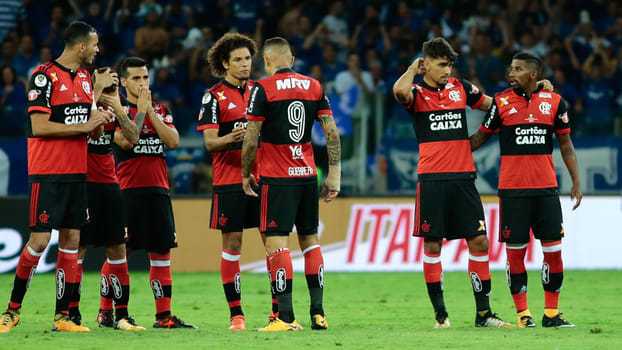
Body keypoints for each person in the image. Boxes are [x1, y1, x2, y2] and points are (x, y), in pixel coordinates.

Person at [392, 37, 515, 328]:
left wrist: (484, 134)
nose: (447, 70)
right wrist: (413, 68)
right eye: (442, 64)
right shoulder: (416, 92)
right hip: (432, 179)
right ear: (427, 64)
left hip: (463, 177)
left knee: (479, 240)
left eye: (450, 65)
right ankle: (441, 315)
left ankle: (484, 314)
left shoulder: (462, 88)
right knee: (433, 245)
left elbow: (494, 106)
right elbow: (399, 91)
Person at [0, 21, 113, 333]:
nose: (97, 50)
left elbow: (90, 128)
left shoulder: (88, 80)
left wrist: (99, 120)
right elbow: (40, 126)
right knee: (38, 240)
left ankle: (63, 316)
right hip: (48, 172)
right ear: (80, 46)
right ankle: (11, 311)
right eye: (94, 44)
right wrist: (85, 127)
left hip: (77, 172)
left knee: (72, 241)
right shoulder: (44, 75)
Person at [470, 52, 582, 328]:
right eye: (510, 68)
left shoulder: (555, 102)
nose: (511, 72)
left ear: (534, 74)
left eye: (518, 69)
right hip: (513, 191)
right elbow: (480, 138)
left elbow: (566, 145)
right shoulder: (501, 102)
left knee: (553, 252)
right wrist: (446, 142)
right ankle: (524, 315)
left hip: (546, 190)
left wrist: (576, 181)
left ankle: (552, 315)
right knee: (516, 254)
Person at [242, 37, 341, 331]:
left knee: (276, 242)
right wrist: (334, 173)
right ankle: (318, 313)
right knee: (310, 241)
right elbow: (331, 133)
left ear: (267, 61)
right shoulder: (314, 86)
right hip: (308, 176)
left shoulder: (262, 88)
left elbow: (251, 138)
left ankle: (285, 317)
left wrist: (247, 171)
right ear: (292, 59)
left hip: (277, 177)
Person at [197, 32, 273, 331]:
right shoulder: (213, 96)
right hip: (228, 180)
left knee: (274, 244)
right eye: (238, 59)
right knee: (233, 244)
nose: (245, 64)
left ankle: (277, 312)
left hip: (264, 178)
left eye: (248, 59)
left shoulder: (260, 91)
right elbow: (210, 144)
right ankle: (236, 315)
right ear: (225, 63)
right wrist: (233, 137)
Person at [113, 56, 196, 329]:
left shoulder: (161, 109)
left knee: (161, 253)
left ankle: (163, 317)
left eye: (146, 77)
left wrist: (149, 112)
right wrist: (139, 112)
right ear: (123, 82)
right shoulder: (117, 110)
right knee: (120, 251)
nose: (143, 82)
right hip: (128, 192)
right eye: (136, 78)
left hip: (158, 190)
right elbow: (128, 140)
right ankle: (111, 313)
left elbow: (173, 142)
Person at [67, 67, 145, 331]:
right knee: (78, 250)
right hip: (82, 183)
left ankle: (122, 315)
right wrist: (96, 92)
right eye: (108, 88)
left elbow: (132, 139)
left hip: (110, 186)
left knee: (118, 249)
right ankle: (71, 314)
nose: (113, 94)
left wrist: (119, 107)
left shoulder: (114, 110)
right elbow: (93, 134)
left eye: (115, 88)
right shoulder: (81, 108)